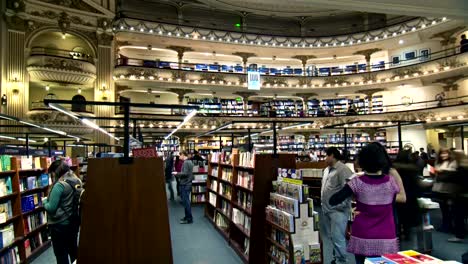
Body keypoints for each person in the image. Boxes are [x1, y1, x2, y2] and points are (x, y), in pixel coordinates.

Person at [330, 143, 406, 264]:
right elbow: (395, 198)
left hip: (362, 235)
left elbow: (333, 200)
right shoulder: (391, 182)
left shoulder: (357, 182)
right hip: (386, 235)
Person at [44, 160, 83, 264]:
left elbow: (51, 207)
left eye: (52, 173)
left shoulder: (60, 185)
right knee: (74, 251)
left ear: (56, 172)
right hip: (73, 223)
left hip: (59, 226)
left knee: (61, 254)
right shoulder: (77, 180)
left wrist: (44, 202)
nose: (52, 176)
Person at [320, 147, 353, 264]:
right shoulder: (326, 170)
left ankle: (341, 261)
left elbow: (348, 190)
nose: (324, 158)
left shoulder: (343, 170)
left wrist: (340, 206)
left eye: (326, 156)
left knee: (338, 238)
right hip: (326, 209)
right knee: (332, 237)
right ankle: (336, 258)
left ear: (332, 156)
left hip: (337, 211)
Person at [394, 149, 431, 248]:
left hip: (397, 200)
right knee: (410, 226)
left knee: (398, 223)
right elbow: (416, 186)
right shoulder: (412, 170)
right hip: (410, 200)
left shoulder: (393, 170)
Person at [432, 148, 458, 232]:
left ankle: (450, 226)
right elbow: (436, 176)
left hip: (449, 190)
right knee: (444, 209)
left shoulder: (453, 162)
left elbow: (451, 175)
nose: (443, 155)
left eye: (445, 153)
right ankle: (446, 225)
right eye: (442, 153)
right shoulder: (438, 163)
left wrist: (442, 171)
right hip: (440, 189)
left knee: (450, 209)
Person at [176, 151, 194, 224]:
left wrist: (177, 173)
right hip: (188, 183)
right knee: (186, 202)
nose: (179, 157)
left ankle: (189, 218)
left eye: (179, 156)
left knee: (186, 202)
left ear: (183, 155)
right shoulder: (190, 162)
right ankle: (187, 217)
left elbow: (185, 173)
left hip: (185, 184)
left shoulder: (186, 162)